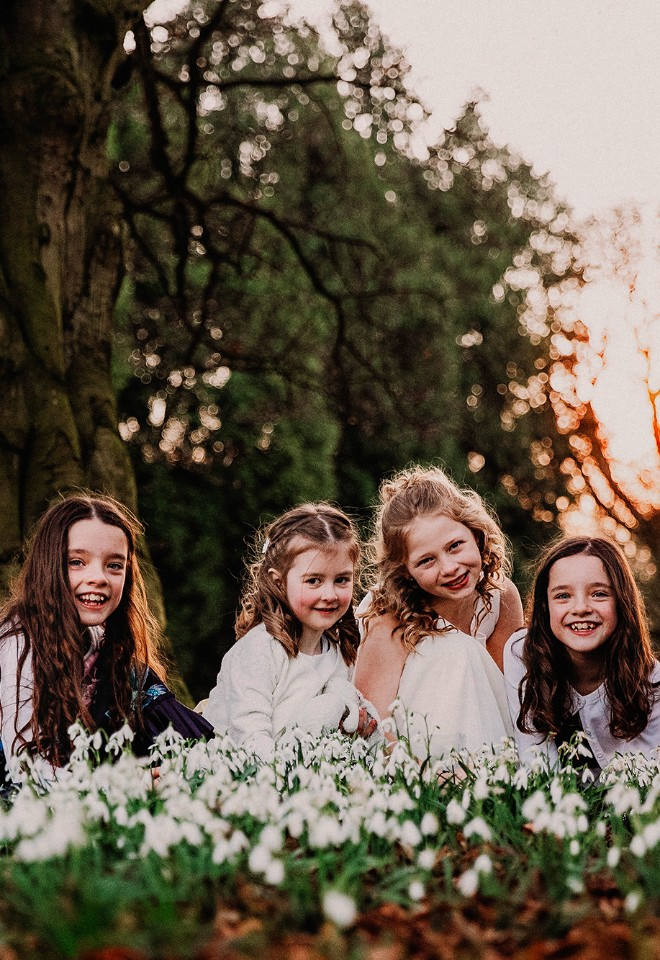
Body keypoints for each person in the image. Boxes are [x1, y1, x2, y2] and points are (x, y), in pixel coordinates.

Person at [0, 493, 213, 785]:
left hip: (90, 771)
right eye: (77, 562)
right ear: (48, 567)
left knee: (137, 679)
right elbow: (24, 768)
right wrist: (126, 786)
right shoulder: (18, 645)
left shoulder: (104, 644)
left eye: (114, 565)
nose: (98, 577)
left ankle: (203, 762)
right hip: (25, 787)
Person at [354, 465, 524, 760]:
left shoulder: (502, 596)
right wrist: (421, 775)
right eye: (426, 561)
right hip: (415, 762)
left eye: (455, 546)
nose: (449, 568)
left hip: (493, 752)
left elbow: (505, 698)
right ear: (405, 570)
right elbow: (372, 724)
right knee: (453, 650)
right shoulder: (387, 615)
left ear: (476, 534)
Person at [203, 503, 378, 759]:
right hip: (241, 774)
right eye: (313, 581)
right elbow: (249, 737)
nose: (329, 594)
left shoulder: (339, 650)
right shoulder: (259, 651)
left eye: (341, 580)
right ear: (279, 582)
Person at [505, 536, 660, 773]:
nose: (580, 608)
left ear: (622, 602)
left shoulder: (652, 682)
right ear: (545, 606)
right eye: (563, 596)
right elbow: (534, 759)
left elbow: (648, 776)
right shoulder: (522, 653)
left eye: (599, 594)